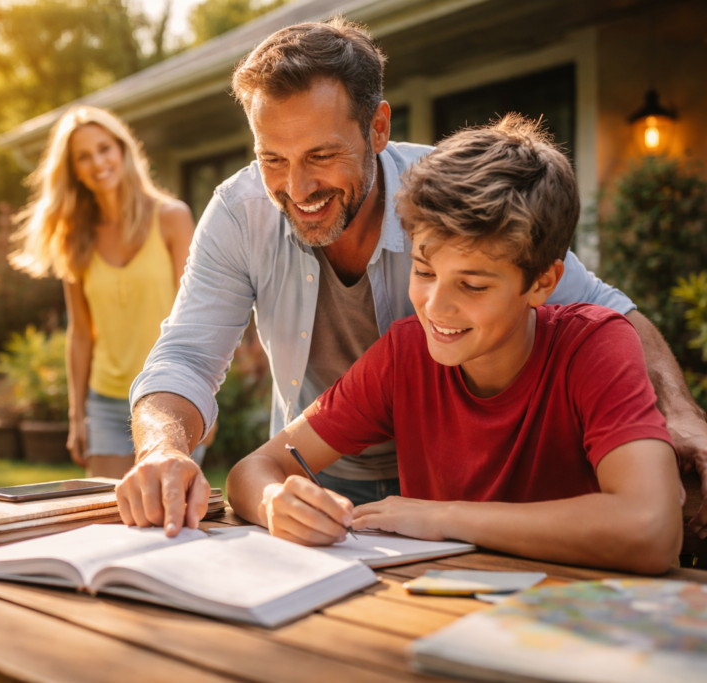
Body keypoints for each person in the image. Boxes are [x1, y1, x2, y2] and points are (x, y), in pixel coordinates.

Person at [116, 17, 707, 537]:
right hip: (320, 472)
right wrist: (165, 450)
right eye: (272, 158)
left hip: (456, 492)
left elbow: (605, 311)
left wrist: (676, 412)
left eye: (321, 156)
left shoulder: (446, 202)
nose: (297, 189)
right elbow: (187, 357)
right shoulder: (240, 214)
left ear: (377, 129)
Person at [225, 116, 683, 575]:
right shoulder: (406, 355)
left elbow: (652, 529)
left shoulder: (595, 347)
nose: (436, 308)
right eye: (424, 272)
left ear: (543, 282)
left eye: (473, 285)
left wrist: (443, 517)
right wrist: (273, 502)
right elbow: (254, 470)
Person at [10, 106, 196, 480]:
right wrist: (76, 415)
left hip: (170, 395)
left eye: (104, 148)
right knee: (105, 520)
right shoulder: (75, 238)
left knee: (168, 519)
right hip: (107, 401)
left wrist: (205, 396)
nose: (97, 162)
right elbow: (80, 332)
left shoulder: (171, 217)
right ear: (74, 170)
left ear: (123, 150)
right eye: (83, 156)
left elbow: (196, 316)